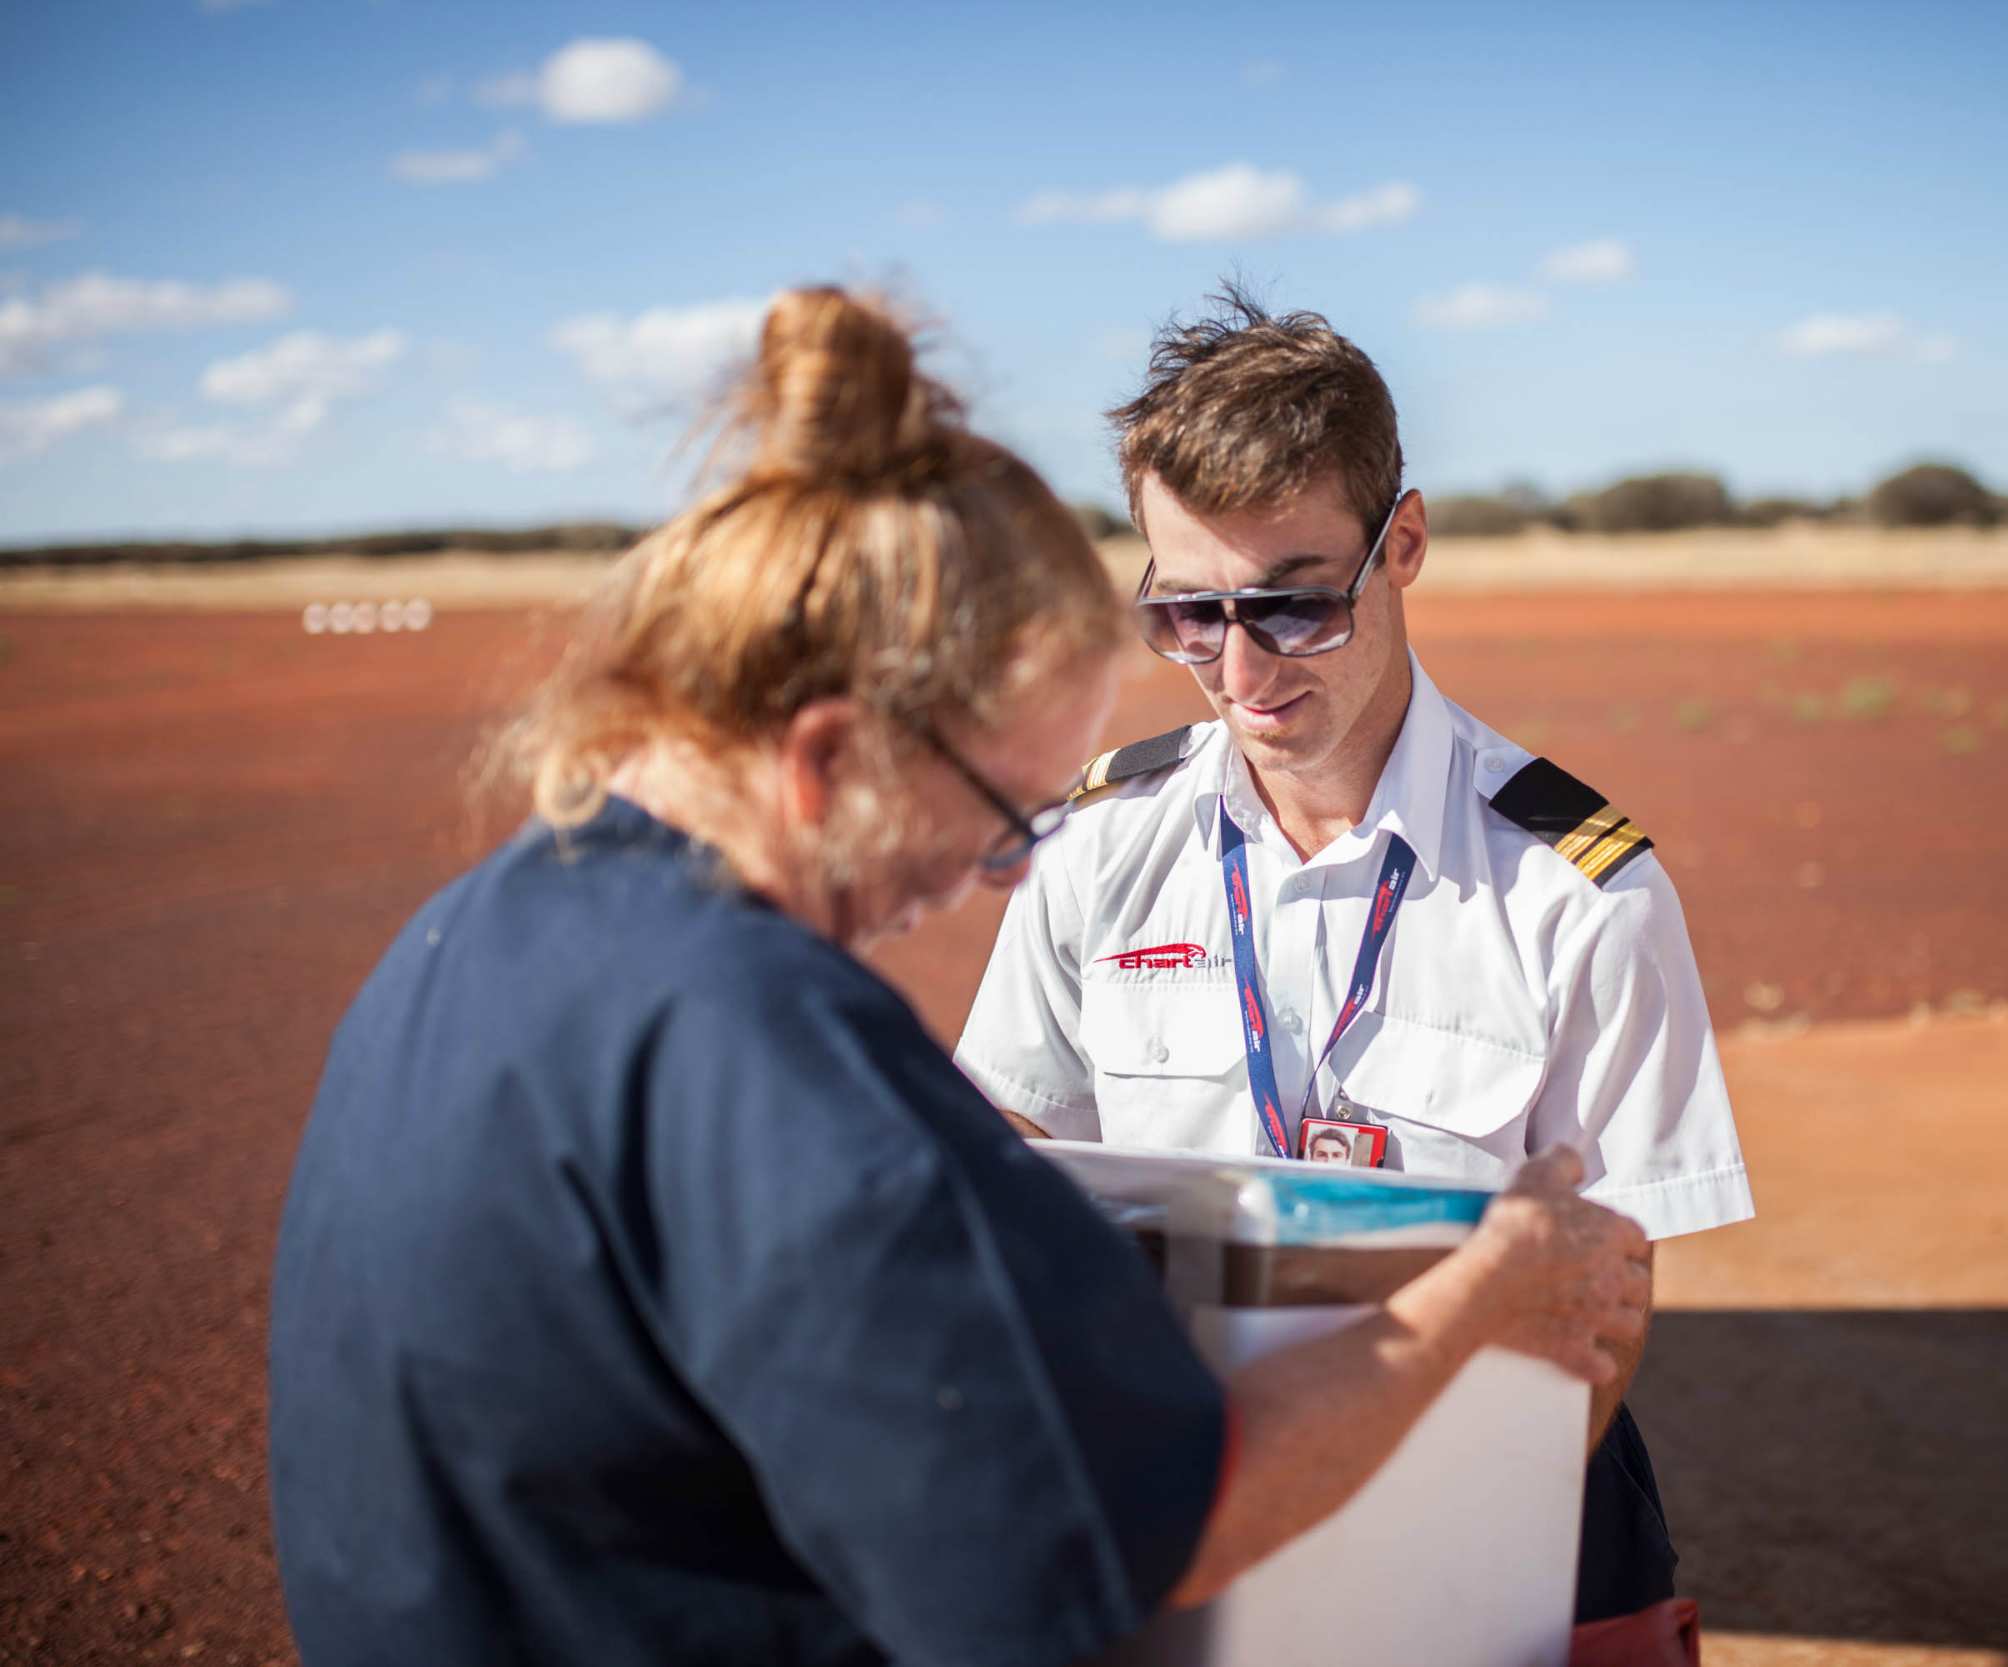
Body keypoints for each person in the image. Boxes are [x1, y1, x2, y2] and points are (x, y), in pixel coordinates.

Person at [265, 287, 1654, 1667]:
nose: (997, 875)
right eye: (1001, 818)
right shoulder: (758, 1042)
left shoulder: (472, 933)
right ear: (828, 758)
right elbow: (1113, 1542)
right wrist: (1484, 1289)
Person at [955, 285, 1755, 1626]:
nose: (1240, 672)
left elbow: (1608, 1305)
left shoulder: (1577, 892)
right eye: (1189, 614)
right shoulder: (1098, 846)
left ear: (1406, 544)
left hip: (1487, 1512)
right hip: (1181, 1500)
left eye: (1294, 607)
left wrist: (1398, 1542)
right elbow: (1014, 1150)